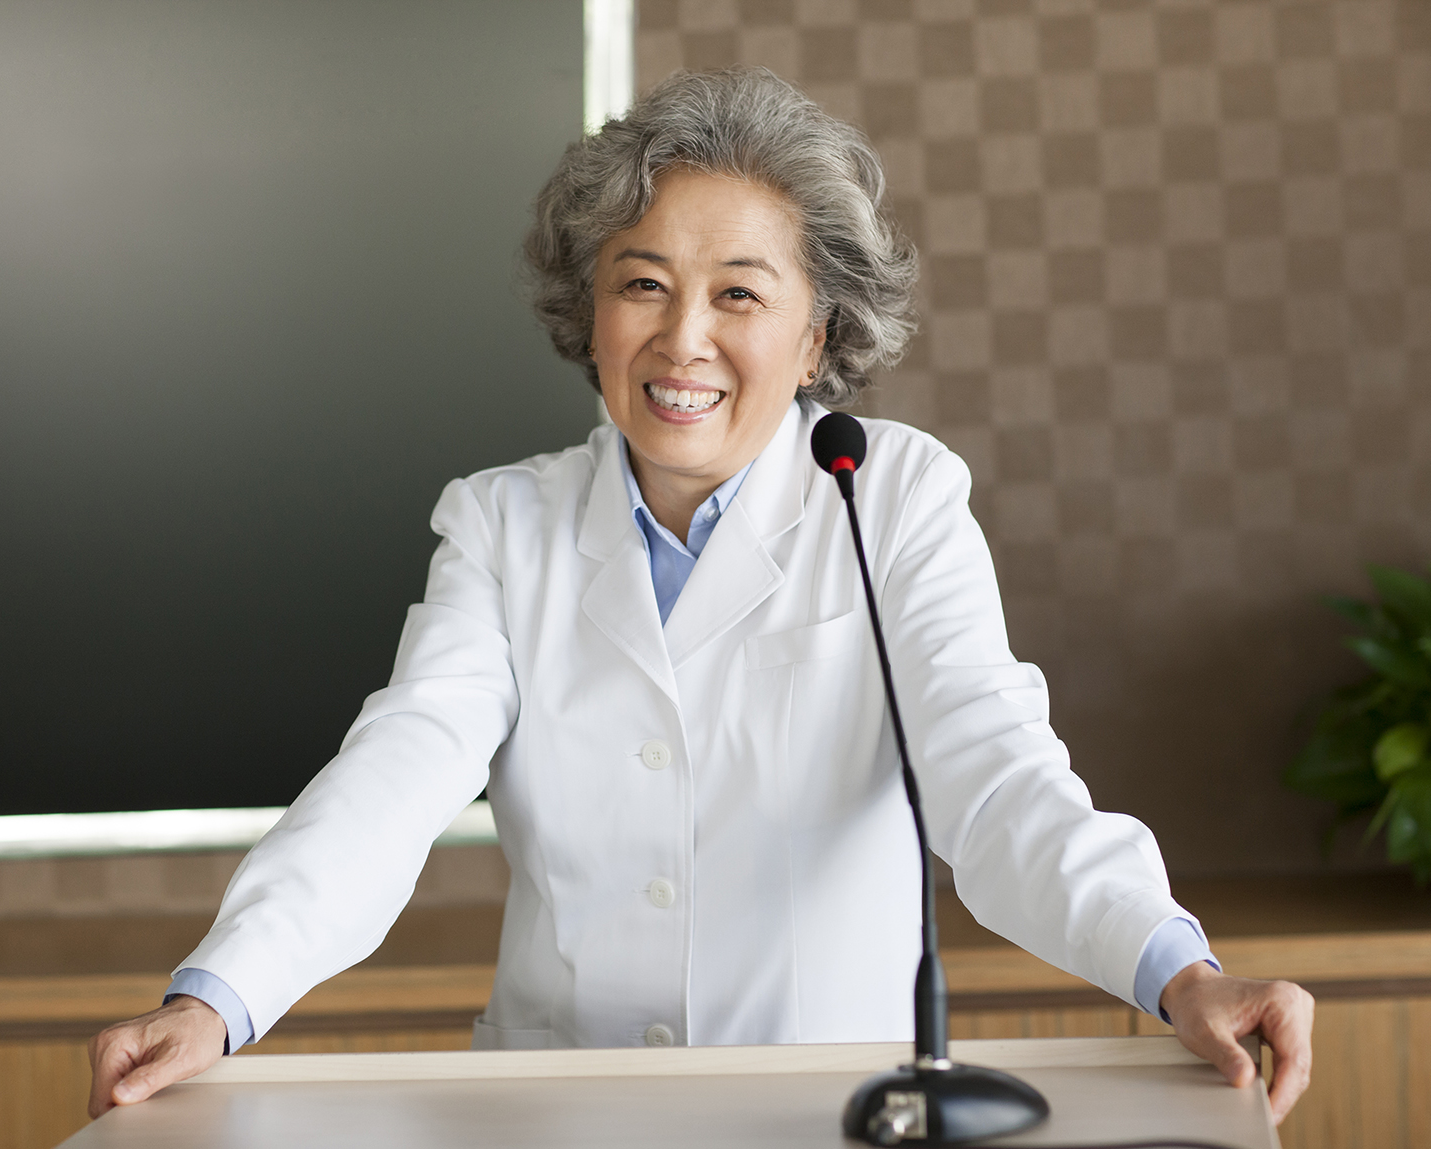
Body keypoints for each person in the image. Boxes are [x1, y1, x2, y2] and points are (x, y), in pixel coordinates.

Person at [85, 67, 1315, 1124]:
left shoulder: (893, 497)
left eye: (738, 291)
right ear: (590, 312)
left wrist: (1177, 971)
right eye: (641, 285)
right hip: (557, 1115)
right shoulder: (501, 521)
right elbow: (391, 784)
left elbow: (994, 782)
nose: (683, 341)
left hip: (835, 1109)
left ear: (816, 329)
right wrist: (218, 998)